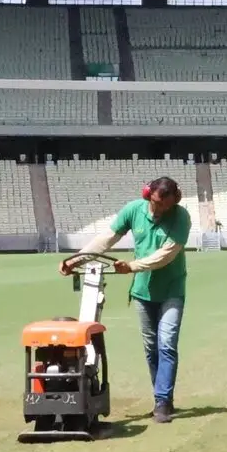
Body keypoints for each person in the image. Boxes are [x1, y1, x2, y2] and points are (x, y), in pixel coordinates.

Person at [66, 175, 192, 422]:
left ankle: (163, 401)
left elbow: (165, 256)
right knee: (151, 348)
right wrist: (74, 260)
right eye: (156, 204)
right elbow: (107, 239)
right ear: (148, 195)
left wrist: (133, 266)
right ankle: (161, 397)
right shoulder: (134, 210)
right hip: (143, 291)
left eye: (166, 206)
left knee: (166, 344)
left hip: (172, 289)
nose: (160, 211)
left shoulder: (180, 217)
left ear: (174, 202)